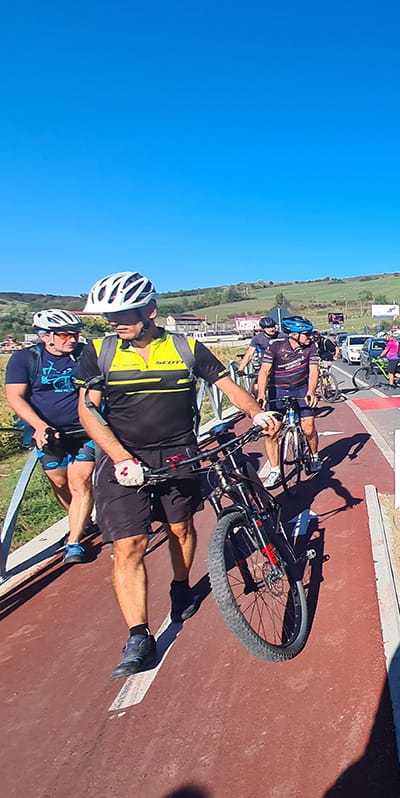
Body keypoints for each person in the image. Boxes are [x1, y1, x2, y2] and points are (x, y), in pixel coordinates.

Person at [76, 271, 279, 679]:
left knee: (181, 530)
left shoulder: (186, 348)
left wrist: (256, 413)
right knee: (129, 545)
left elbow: (227, 386)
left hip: (179, 455)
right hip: (123, 459)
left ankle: (180, 585)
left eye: (123, 314)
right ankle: (138, 635)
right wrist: (118, 457)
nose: (114, 322)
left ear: (150, 311)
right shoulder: (99, 351)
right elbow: (88, 410)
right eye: (109, 316)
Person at [4, 309, 96, 565]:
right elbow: (14, 396)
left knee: (81, 483)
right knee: (59, 482)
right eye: (66, 335)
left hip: (84, 431)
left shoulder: (85, 354)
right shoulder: (25, 359)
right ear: (46, 336)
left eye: (76, 334)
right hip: (49, 434)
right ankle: (82, 519)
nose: (73, 339)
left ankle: (74, 542)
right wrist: (38, 425)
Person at [257, 316, 322, 487]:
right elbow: (264, 372)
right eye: (306, 334)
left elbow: (314, 371)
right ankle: (275, 471)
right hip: (277, 388)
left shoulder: (311, 347)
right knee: (271, 431)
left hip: (301, 388)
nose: (310, 337)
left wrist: (311, 392)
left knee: (308, 428)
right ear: (294, 335)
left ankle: (314, 455)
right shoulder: (276, 347)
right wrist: (262, 394)